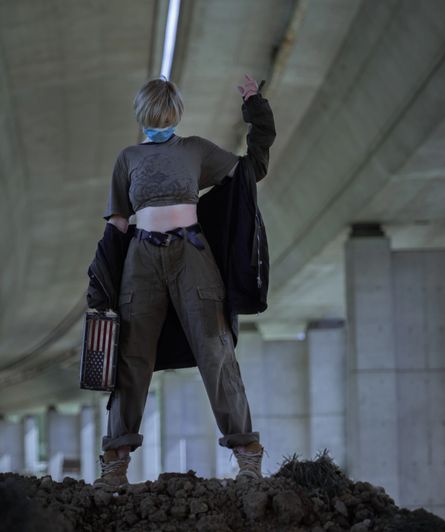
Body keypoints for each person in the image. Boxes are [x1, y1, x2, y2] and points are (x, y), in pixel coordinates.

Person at [94, 75, 269, 490]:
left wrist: (255, 109)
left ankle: (247, 456)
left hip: (192, 257)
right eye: (154, 115)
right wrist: (99, 284)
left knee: (216, 349)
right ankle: (115, 464)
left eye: (165, 114)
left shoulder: (195, 151)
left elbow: (249, 172)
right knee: (131, 356)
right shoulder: (128, 159)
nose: (159, 120)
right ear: (143, 117)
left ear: (175, 115)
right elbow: (118, 225)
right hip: (141, 261)